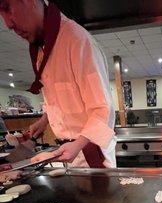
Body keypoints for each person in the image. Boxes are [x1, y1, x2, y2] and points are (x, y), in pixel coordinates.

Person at [0, 0, 116, 168]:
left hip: (91, 152)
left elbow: (103, 109)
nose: (7, 23)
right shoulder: (41, 49)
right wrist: (44, 120)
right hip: (68, 151)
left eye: (6, 7)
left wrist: (78, 144)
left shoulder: (76, 40)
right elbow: (61, 98)